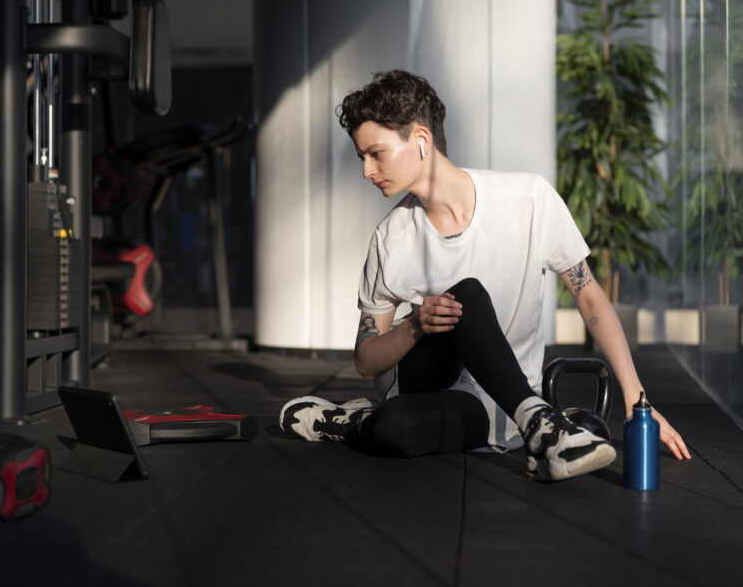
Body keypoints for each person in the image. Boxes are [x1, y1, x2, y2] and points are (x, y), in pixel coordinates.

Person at [279, 69, 691, 481]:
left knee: (395, 430)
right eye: (361, 158)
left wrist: (640, 402)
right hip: (424, 377)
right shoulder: (391, 239)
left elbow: (589, 298)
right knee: (467, 296)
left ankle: (359, 421)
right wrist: (417, 326)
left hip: (494, 403)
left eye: (375, 154)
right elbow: (367, 362)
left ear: (421, 141)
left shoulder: (528, 200)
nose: (367, 171)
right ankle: (542, 425)